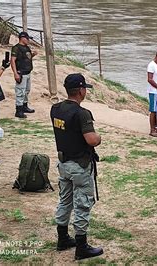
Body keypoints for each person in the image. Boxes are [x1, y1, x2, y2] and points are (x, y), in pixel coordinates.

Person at [51, 73, 103, 260]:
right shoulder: (82, 113)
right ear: (81, 91)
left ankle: (63, 238)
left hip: (63, 163)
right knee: (82, 204)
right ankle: (81, 247)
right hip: (80, 166)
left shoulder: (55, 109)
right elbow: (91, 139)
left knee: (65, 200)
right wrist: (99, 138)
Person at [11, 31, 37, 118]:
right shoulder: (16, 48)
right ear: (22, 38)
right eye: (27, 38)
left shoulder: (26, 48)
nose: (28, 40)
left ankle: (24, 106)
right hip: (21, 73)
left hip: (28, 72)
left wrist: (33, 54)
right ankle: (18, 110)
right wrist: (15, 73)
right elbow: (13, 60)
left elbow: (27, 58)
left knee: (26, 90)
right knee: (20, 91)